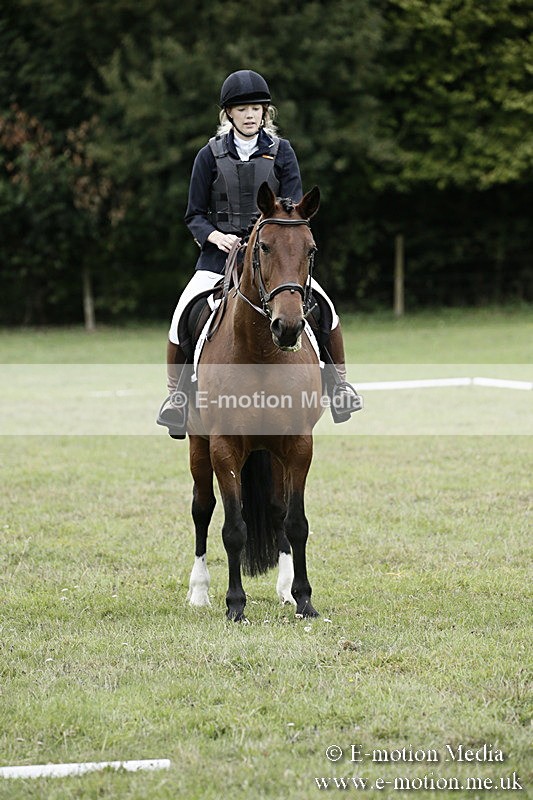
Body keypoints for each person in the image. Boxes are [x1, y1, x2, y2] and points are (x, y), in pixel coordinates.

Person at [157, 69, 360, 438]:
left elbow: (294, 208)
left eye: (256, 108)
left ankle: (340, 387)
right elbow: (193, 215)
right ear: (228, 115)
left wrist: (269, 239)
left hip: (272, 256)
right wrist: (215, 236)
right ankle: (177, 399)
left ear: (265, 112)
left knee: (326, 309)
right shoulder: (208, 155)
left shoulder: (282, 152)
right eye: (242, 109)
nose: (250, 115)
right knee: (182, 313)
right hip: (220, 257)